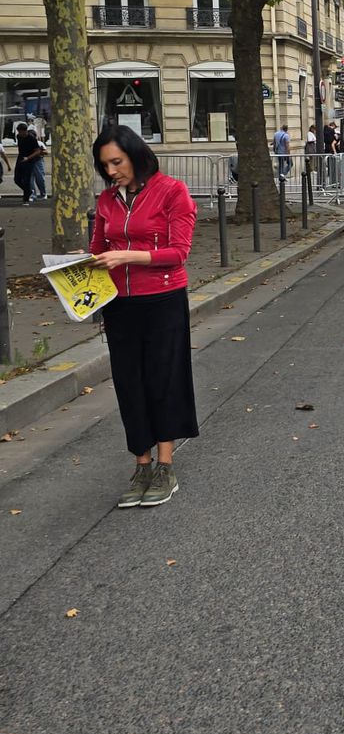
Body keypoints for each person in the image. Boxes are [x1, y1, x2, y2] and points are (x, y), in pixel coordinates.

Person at [88, 126, 199, 509]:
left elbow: (178, 252)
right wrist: (80, 264)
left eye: (117, 161)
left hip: (162, 299)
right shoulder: (106, 201)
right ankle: (141, 463)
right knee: (128, 383)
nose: (112, 170)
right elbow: (98, 249)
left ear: (136, 154)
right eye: (105, 165)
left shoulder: (172, 191)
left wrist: (127, 256)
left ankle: (165, 464)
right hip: (120, 302)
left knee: (162, 378)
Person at [13, 122, 45, 204]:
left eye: (21, 132)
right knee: (17, 179)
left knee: (27, 179)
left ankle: (26, 199)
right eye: (18, 132)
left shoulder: (32, 139)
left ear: (25, 131)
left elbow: (38, 151)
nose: (19, 133)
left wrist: (28, 158)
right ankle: (29, 191)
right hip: (20, 158)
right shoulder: (18, 137)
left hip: (30, 160)